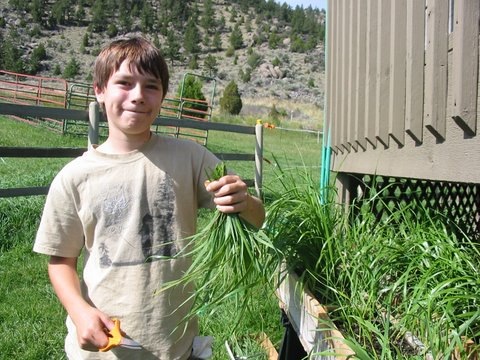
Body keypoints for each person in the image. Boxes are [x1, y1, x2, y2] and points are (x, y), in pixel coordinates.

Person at [33, 36, 265, 360]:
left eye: (151, 86)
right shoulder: (75, 178)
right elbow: (60, 260)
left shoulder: (191, 158)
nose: (138, 96)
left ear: (162, 96)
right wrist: (79, 311)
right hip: (103, 348)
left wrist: (245, 202)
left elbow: (256, 218)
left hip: (172, 343)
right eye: (124, 83)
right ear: (99, 90)